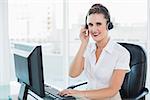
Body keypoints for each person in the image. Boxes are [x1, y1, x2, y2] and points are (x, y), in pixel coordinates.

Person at [59, 3, 130, 100]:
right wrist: (83, 43)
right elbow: (73, 73)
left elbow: (112, 90)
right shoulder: (88, 48)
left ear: (107, 25)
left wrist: (79, 93)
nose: (93, 29)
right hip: (87, 98)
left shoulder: (121, 53)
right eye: (90, 25)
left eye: (98, 24)